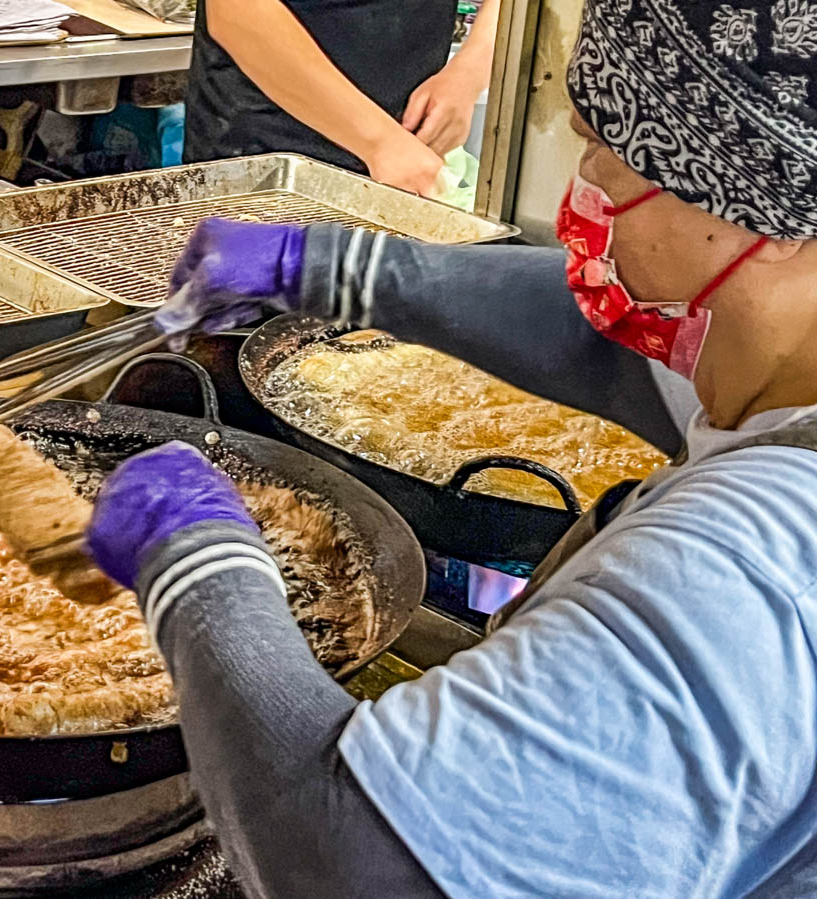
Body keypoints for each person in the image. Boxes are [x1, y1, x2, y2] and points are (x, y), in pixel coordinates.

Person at [85, 0, 817, 894]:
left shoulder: (740, 569)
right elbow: (609, 352)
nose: (579, 188)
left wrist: (198, 566)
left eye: (602, 152)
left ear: (760, 206)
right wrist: (336, 271)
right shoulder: (778, 366)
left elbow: (348, 860)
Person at [184, 0, 500, 196]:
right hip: (263, 148)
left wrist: (468, 73)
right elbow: (238, 11)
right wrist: (379, 142)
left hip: (408, 147)